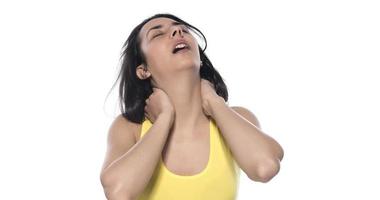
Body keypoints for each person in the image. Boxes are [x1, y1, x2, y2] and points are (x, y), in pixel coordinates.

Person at [99, 13, 284, 200]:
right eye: (157, 34)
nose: (177, 31)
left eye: (183, 29)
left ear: (200, 58)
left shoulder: (236, 118)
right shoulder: (129, 128)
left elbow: (265, 167)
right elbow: (117, 192)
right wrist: (164, 119)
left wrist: (214, 102)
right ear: (143, 70)